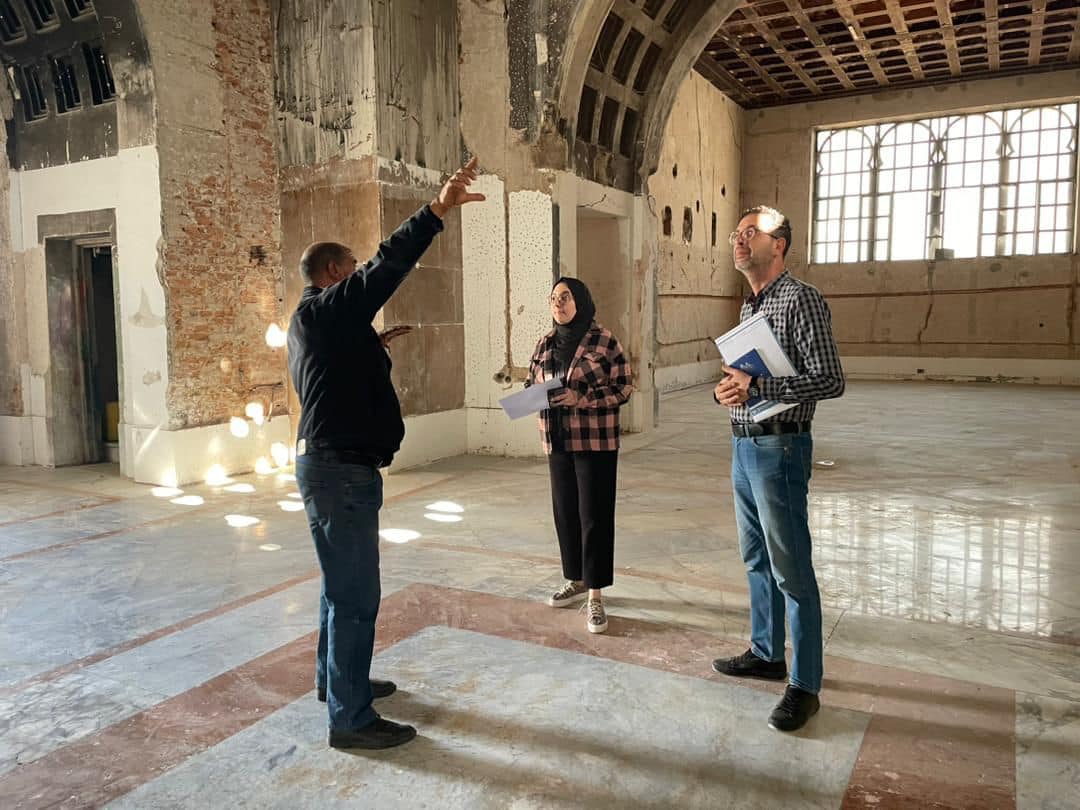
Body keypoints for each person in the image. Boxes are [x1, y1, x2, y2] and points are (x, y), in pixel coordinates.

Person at [288, 158, 485, 750]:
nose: (357, 275)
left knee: (337, 587)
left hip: (328, 466)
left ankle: (335, 682)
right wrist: (437, 210)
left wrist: (369, 344)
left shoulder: (314, 323)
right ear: (333, 272)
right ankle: (350, 719)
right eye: (349, 268)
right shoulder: (328, 308)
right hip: (340, 471)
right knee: (355, 596)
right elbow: (386, 265)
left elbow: (333, 377)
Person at [710, 205, 844, 732]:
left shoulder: (801, 299)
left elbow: (829, 378)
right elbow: (744, 381)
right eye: (736, 234)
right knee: (755, 557)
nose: (739, 241)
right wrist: (726, 393)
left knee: (791, 568)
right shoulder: (751, 306)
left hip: (781, 448)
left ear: (779, 243)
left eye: (751, 233)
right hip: (744, 445)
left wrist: (759, 386)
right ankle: (767, 652)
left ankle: (805, 685)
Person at [527, 277, 633, 634]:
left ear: (581, 301)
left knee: (594, 516)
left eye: (566, 297)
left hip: (594, 442)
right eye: (554, 298)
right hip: (556, 440)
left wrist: (582, 399)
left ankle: (596, 595)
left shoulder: (604, 341)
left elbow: (624, 388)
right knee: (566, 514)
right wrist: (532, 396)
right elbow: (531, 383)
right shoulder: (545, 343)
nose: (558, 304)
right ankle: (575, 578)